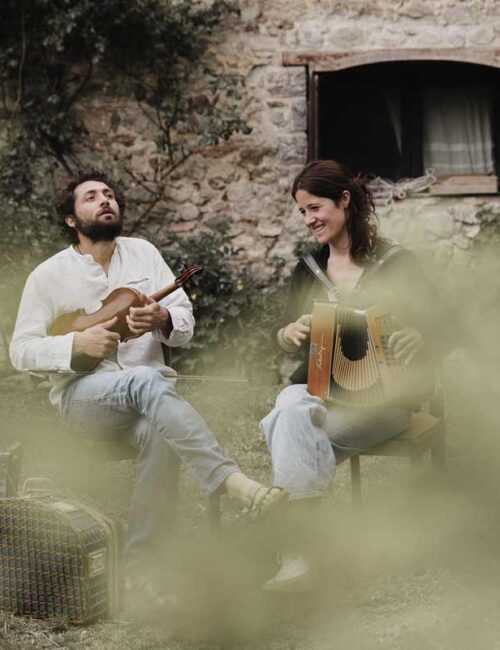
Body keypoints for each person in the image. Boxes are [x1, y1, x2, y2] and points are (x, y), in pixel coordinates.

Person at [9, 169, 287, 602]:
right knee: (146, 379)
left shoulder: (144, 254)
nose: (105, 200)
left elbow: (184, 323)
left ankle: (141, 571)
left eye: (109, 194)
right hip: (83, 399)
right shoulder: (48, 276)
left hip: (149, 400)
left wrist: (163, 318)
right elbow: (20, 350)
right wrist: (73, 345)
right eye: (91, 197)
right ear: (71, 219)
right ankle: (232, 483)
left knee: (160, 430)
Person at [260, 159, 445, 593]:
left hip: (385, 403)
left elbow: (441, 323)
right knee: (290, 407)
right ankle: (304, 555)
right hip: (320, 397)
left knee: (287, 426)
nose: (308, 219)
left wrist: (420, 336)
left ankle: (297, 553)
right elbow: (282, 334)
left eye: (315, 207)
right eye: (302, 211)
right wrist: (288, 333)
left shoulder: (396, 264)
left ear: (344, 200)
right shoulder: (308, 270)